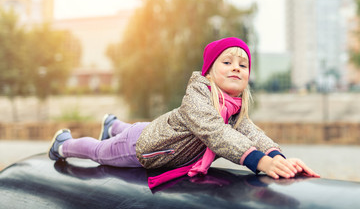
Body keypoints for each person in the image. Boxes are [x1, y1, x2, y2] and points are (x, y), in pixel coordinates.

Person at [49, 37, 319, 188]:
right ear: (209, 71)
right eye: (227, 62)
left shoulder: (235, 109)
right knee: (99, 152)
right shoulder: (198, 96)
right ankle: (64, 145)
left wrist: (278, 157)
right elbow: (216, 132)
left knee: (139, 127)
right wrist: (260, 162)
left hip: (160, 132)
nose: (236, 68)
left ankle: (113, 124)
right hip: (144, 147)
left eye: (243, 64)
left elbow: (251, 133)